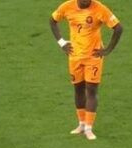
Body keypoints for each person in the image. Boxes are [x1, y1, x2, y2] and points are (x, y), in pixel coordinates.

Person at [49, 0, 123, 140]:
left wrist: (107, 50)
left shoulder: (99, 8)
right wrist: (62, 43)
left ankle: (89, 128)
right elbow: (52, 21)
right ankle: (81, 124)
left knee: (91, 90)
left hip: (93, 57)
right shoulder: (67, 7)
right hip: (75, 56)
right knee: (78, 88)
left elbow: (118, 28)